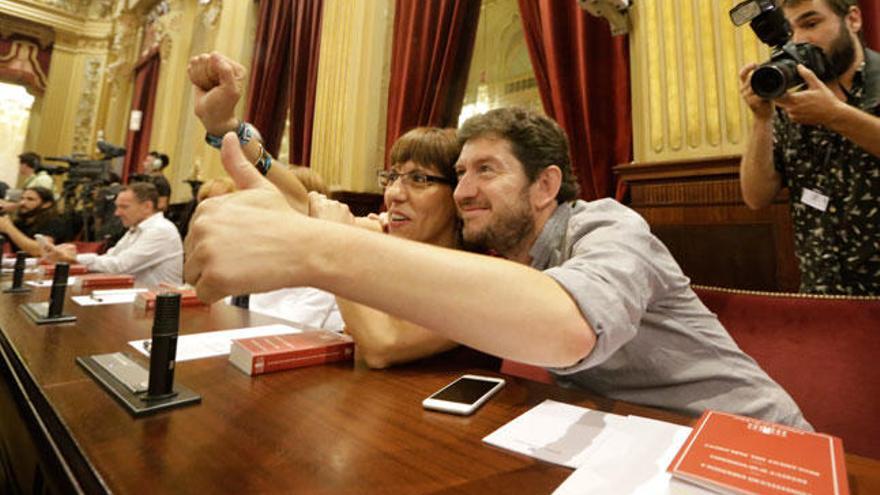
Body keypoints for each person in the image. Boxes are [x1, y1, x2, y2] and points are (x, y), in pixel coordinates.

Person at [185, 107, 811, 428]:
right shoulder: (498, 253)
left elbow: (568, 328)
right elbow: (320, 208)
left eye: (486, 170)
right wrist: (235, 139)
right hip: (629, 446)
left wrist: (315, 250)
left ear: (546, 186)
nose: (462, 191)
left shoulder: (610, 226)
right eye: (459, 173)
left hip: (748, 449)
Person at [188, 51, 462, 366]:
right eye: (393, 177)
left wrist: (334, 239)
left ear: (459, 193)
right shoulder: (384, 233)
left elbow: (382, 346)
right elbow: (301, 200)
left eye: (418, 179)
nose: (395, 194)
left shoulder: (477, 269)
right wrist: (227, 128)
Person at [739, 0, 880, 295]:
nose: (800, 40)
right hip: (824, 296)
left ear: (853, 19)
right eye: (791, 31)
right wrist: (761, 119)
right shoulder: (793, 104)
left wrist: (836, 116)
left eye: (811, 24)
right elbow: (755, 196)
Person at [43, 182, 183, 287]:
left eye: (124, 207)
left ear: (147, 206)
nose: (117, 213)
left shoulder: (160, 230)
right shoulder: (137, 227)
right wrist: (72, 258)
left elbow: (120, 266)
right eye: (117, 206)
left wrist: (75, 259)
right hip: (134, 300)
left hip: (156, 307)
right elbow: (111, 257)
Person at [0, 187, 70, 256]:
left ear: (46, 204)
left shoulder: (54, 222)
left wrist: (9, 228)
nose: (22, 203)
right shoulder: (20, 223)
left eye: (30, 199)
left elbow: (40, 250)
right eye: (22, 198)